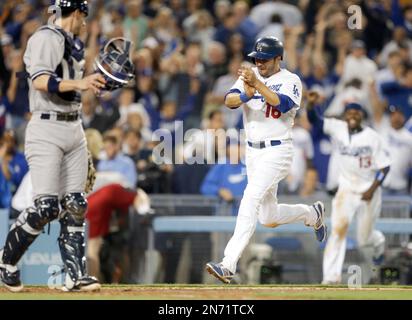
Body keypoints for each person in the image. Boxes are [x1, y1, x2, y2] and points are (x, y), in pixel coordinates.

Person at [0, 0, 111, 292]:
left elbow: (73, 84)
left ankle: (75, 276)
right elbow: (40, 81)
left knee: (75, 204)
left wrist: (96, 84)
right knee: (47, 206)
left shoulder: (71, 42)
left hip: (74, 127)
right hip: (46, 126)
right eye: (84, 15)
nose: (86, 22)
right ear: (76, 13)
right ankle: (6, 261)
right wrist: (81, 84)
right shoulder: (46, 37)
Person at [205, 36, 328, 284]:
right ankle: (311, 214)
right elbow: (229, 101)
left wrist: (256, 88)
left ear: (277, 57)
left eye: (264, 58)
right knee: (268, 217)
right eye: (256, 58)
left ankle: (228, 264)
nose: (259, 62)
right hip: (252, 151)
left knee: (250, 197)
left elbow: (281, 104)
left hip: (277, 150)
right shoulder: (250, 76)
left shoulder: (291, 80)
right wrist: (245, 94)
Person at [306, 91, 391, 284]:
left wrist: (372, 188)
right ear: (345, 115)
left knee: (364, 240)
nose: (353, 115)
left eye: (356, 112)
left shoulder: (373, 137)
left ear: (362, 115)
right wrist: (310, 106)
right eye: (349, 112)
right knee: (337, 231)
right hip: (345, 189)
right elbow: (316, 121)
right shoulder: (338, 128)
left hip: (369, 190)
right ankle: (330, 278)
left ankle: (378, 243)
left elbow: (385, 167)